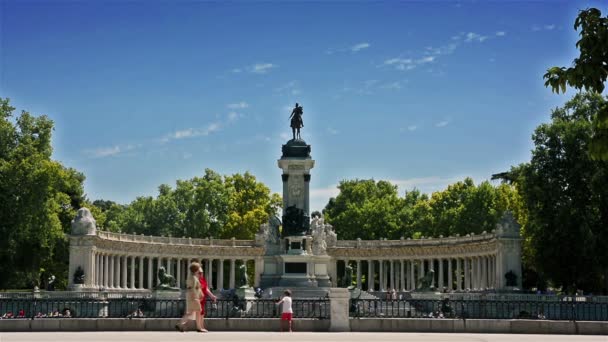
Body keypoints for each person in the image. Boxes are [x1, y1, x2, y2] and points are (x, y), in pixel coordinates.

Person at [176, 262, 204, 332]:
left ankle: (181, 324)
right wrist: (196, 297)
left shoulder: (191, 277)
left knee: (191, 312)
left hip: (191, 296)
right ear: (196, 270)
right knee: (197, 311)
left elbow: (194, 287)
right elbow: (193, 288)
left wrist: (200, 294)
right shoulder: (194, 278)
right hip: (193, 297)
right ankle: (198, 327)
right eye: (198, 269)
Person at [195, 261, 217, 333]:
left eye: (202, 272)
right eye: (199, 273)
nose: (201, 274)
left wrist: (212, 296)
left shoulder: (203, 280)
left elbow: (206, 289)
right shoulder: (195, 280)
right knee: (199, 312)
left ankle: (202, 326)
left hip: (203, 298)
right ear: (196, 273)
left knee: (202, 313)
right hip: (198, 299)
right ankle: (199, 327)